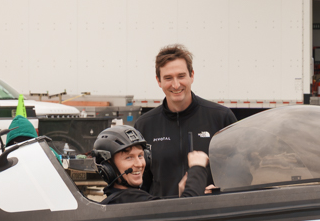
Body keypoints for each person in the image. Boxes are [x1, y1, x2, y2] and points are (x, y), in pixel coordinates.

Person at [134, 44, 236, 198]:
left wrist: (221, 190)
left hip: (211, 210)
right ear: (158, 81)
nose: (176, 85)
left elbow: (242, 171)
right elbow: (140, 183)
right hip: (163, 211)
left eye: (181, 76)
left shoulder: (221, 117)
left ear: (192, 75)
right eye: (168, 78)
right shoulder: (144, 125)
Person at [92, 125, 210, 205]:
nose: (139, 164)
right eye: (129, 157)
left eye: (140, 155)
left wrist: (182, 196)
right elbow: (189, 209)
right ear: (108, 168)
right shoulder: (129, 200)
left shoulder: (119, 199)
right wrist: (197, 168)